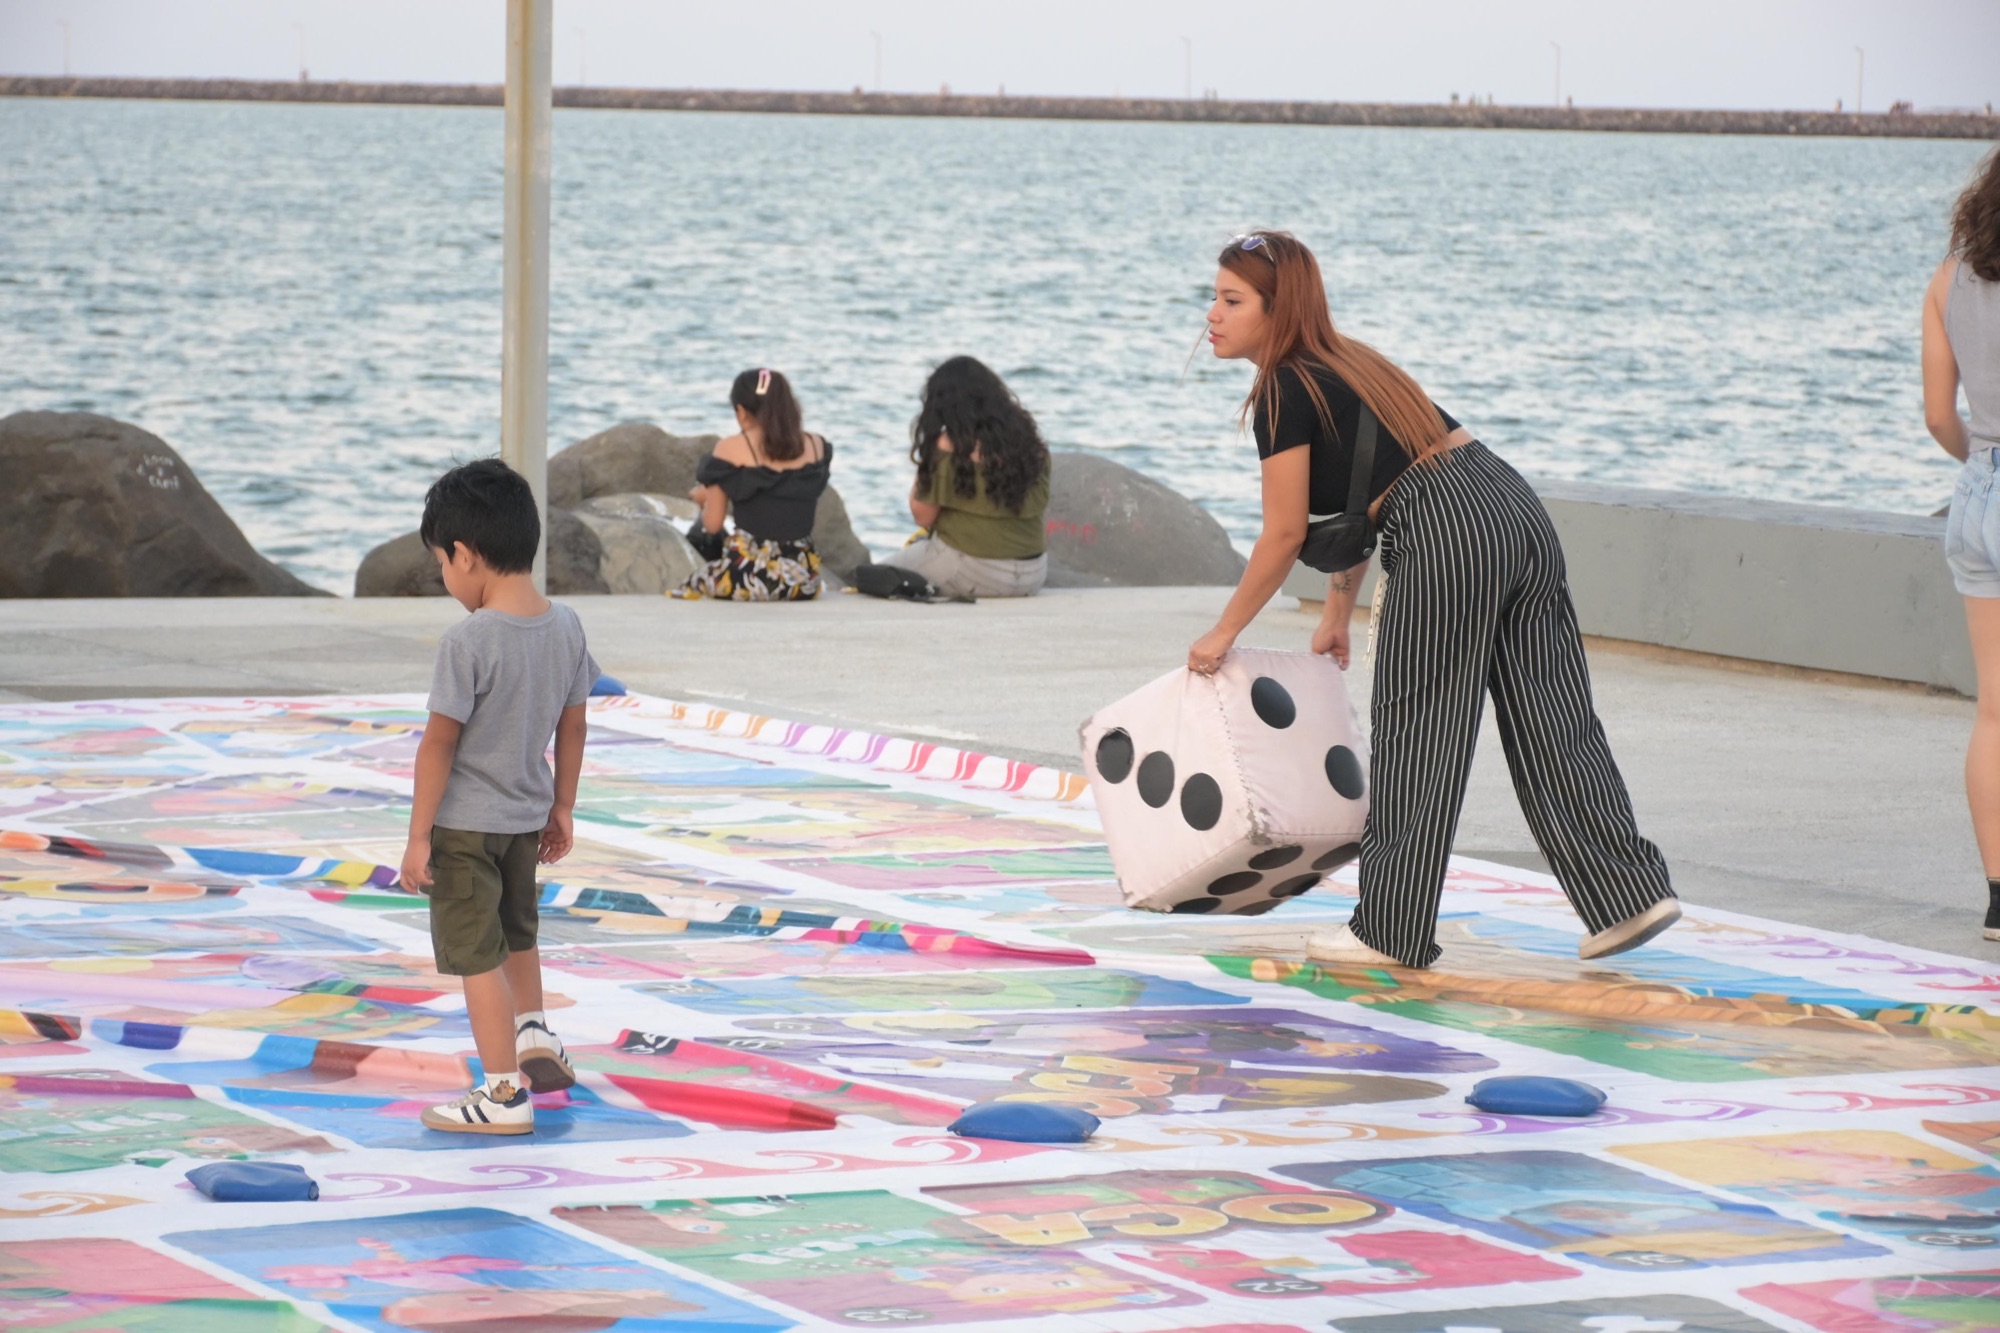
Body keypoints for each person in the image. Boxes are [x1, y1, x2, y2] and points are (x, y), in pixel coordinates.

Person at [1188, 230, 1676, 969]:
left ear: (1277, 309)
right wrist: (1334, 612)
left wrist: (1221, 633)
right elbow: (1361, 493)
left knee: (1420, 730)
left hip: (1446, 527)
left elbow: (1285, 532)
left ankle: (1389, 927)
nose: (1211, 316)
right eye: (1213, 298)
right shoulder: (1352, 362)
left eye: (1231, 300)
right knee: (1553, 717)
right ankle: (1626, 893)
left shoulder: (1285, 385)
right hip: (1509, 504)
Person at [397, 458, 595, 1133]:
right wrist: (562, 805)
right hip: (524, 820)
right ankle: (534, 1028)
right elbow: (574, 723)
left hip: (464, 827)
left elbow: (438, 744)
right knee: (518, 934)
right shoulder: (566, 625)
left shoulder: (469, 640)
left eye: (442, 565)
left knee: (475, 953)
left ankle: (503, 1092)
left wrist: (419, 834)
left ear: (466, 553)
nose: (447, 580)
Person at [1925, 147, 2000, 941]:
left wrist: (1983, 468)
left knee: (1995, 713)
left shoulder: (1949, 280)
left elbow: (1940, 416)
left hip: (1976, 493)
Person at [867, 355, 1050, 599]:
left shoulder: (947, 445)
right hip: (1033, 573)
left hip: (974, 572)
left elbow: (922, 516)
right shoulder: (1030, 442)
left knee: (871, 576)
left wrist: (928, 459)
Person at [676, 367, 831, 601]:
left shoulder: (730, 448)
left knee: (693, 581)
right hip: (803, 580)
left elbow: (713, 524)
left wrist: (704, 499)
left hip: (748, 576)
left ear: (741, 411)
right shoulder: (816, 444)